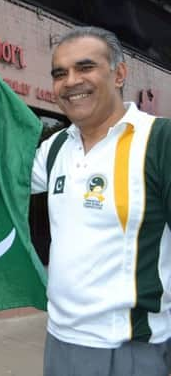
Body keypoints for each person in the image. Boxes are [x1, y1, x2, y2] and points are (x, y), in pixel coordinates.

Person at [30, 26, 171, 375]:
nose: (71, 81)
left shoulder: (159, 141)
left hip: (132, 350)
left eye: (85, 67)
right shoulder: (54, 147)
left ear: (119, 73)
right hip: (60, 342)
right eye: (60, 73)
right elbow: (1, 180)